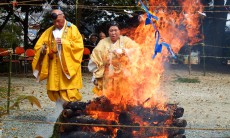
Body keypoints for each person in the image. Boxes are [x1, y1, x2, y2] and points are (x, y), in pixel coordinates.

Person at [32, 9, 84, 104]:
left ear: (63, 17)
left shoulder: (73, 29)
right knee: (55, 89)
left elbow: (79, 46)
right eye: (54, 22)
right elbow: (39, 46)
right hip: (54, 64)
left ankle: (72, 108)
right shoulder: (49, 31)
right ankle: (59, 110)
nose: (56, 24)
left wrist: (65, 43)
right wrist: (44, 50)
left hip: (68, 65)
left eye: (58, 21)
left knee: (69, 90)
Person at [88, 21, 139, 96]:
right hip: (107, 76)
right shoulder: (102, 42)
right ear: (108, 32)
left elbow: (136, 50)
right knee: (108, 97)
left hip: (123, 75)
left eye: (115, 30)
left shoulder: (125, 40)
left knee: (123, 96)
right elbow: (95, 60)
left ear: (119, 31)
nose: (113, 33)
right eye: (111, 31)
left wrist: (124, 51)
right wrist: (95, 76)